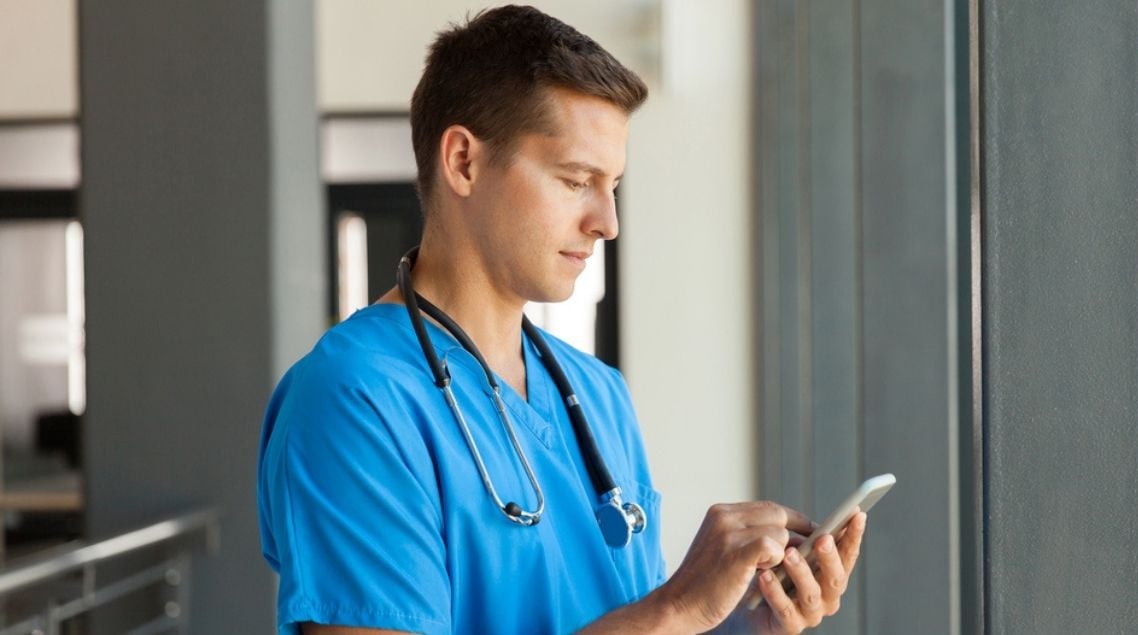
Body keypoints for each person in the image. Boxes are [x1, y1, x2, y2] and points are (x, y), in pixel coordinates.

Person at [257, 6, 866, 635]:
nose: (607, 222)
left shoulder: (599, 395)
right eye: (577, 180)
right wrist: (676, 607)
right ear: (464, 161)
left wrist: (744, 623)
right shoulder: (354, 402)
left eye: (614, 187)